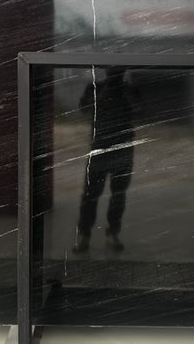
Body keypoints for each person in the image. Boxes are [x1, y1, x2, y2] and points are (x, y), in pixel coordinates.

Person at [73, 67, 138, 253]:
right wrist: (104, 92)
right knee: (90, 194)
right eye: (112, 71)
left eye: (117, 71)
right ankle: (84, 235)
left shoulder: (129, 90)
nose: (114, 75)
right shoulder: (95, 88)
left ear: (122, 72)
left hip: (122, 148)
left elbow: (141, 111)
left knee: (118, 194)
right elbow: (84, 108)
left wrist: (125, 93)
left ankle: (112, 233)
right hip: (101, 148)